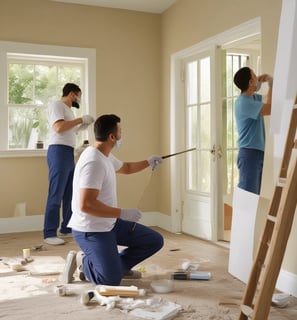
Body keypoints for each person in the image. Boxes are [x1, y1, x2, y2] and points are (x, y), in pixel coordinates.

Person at [61, 114, 164, 285]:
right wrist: (122, 213)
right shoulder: (94, 162)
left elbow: (126, 167)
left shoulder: (104, 154)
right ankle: (83, 261)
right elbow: (86, 205)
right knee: (109, 280)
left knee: (154, 240)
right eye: (120, 131)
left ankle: (117, 266)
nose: (121, 134)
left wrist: (148, 162)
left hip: (109, 223)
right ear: (112, 137)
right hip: (91, 230)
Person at [43, 83, 94, 245]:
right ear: (72, 94)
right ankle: (49, 233)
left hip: (67, 152)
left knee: (70, 193)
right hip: (58, 151)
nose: (79, 98)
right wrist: (80, 119)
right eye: (78, 95)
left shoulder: (69, 112)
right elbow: (58, 128)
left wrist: (80, 127)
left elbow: (67, 130)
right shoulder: (56, 105)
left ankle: (66, 228)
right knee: (56, 193)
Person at [233, 67, 273, 195]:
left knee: (254, 196)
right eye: (255, 75)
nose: (258, 77)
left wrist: (266, 82)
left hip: (256, 153)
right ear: (250, 82)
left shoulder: (253, 98)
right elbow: (270, 108)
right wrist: (271, 83)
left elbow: (268, 98)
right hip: (249, 154)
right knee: (248, 198)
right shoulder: (243, 102)